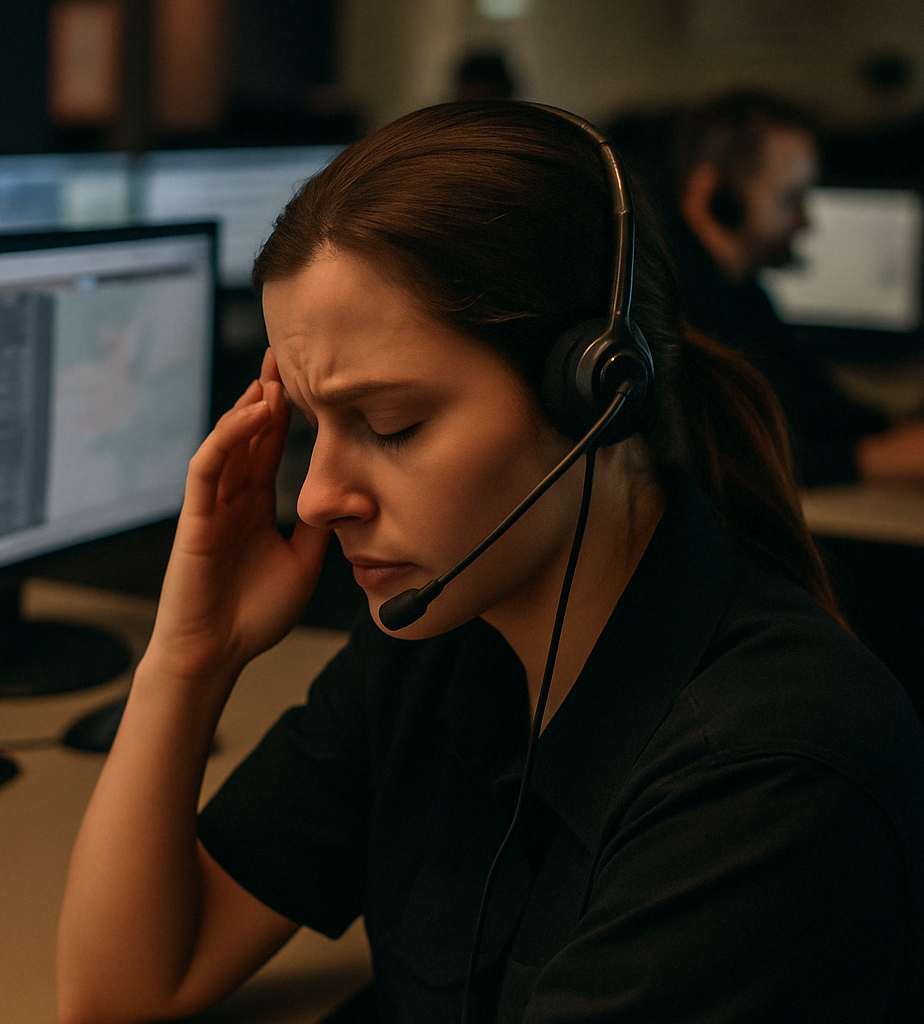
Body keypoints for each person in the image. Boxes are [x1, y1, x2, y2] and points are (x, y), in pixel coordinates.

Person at [57, 101, 924, 1024]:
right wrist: (190, 656)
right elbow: (122, 990)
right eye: (314, 429)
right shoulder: (438, 632)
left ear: (600, 394)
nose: (313, 497)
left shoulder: (766, 784)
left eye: (391, 426)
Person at [668, 89, 924, 486]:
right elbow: (730, 459)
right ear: (716, 196)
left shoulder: (746, 295)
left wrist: (899, 428)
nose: (806, 222)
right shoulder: (668, 302)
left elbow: (816, 409)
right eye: (791, 200)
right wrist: (885, 458)